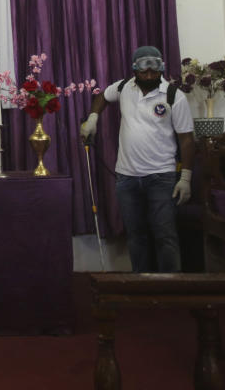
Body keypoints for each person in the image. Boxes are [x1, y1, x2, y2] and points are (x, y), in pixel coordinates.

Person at [79, 45, 194, 273]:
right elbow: (102, 96)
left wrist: (186, 178)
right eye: (144, 71)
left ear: (161, 67)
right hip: (127, 178)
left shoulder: (173, 96)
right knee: (135, 235)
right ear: (134, 69)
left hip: (162, 176)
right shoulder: (123, 87)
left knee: (165, 235)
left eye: (155, 70)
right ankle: (141, 285)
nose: (150, 75)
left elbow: (187, 139)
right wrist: (93, 118)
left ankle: (171, 290)